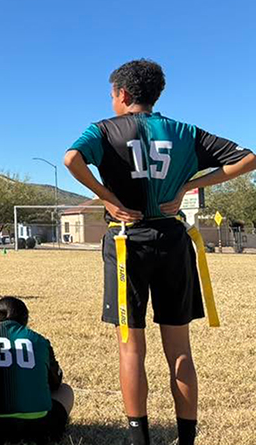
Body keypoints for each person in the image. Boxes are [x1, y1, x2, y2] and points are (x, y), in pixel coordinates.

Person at [64, 59, 255, 445]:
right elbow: (248, 158)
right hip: (173, 240)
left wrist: (107, 197)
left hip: (126, 241)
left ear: (122, 94)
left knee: (131, 346)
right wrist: (188, 185)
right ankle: (187, 439)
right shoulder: (184, 131)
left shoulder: (103, 129)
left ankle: (140, 440)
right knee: (180, 349)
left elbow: (71, 159)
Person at [0, 296, 75, 444]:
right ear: (25, 320)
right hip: (39, 427)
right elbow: (56, 383)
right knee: (66, 391)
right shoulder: (39, 340)